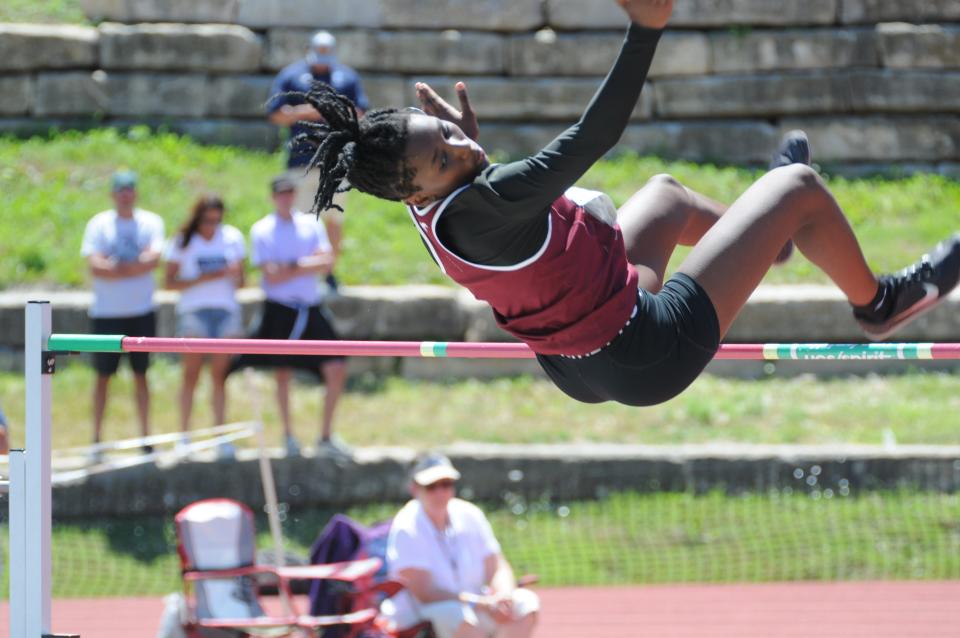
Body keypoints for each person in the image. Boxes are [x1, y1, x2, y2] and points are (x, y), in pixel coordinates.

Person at [293, 0, 960, 407]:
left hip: (582, 359)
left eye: (443, 131)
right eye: (442, 155)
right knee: (799, 186)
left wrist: (468, 151)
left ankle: (772, 240)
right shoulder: (489, 198)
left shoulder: (426, 203)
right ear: (416, 188)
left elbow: (477, 199)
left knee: (666, 197)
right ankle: (880, 303)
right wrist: (646, 31)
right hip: (647, 351)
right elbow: (596, 136)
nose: (455, 142)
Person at [233, 175, 348, 457]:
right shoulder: (262, 229)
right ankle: (288, 435)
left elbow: (327, 261)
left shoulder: (311, 223)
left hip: (309, 306)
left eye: (289, 193)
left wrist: (290, 267)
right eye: (280, 194)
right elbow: (270, 275)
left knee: (336, 367)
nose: (286, 198)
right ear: (273, 197)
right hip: (280, 308)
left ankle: (326, 436)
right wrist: (304, 265)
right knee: (282, 373)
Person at [383, 453, 539, 638]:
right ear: (415, 489)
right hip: (422, 616)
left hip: (476, 605)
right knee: (456, 614)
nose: (440, 492)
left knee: (525, 602)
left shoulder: (469, 514)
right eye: (431, 486)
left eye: (446, 484)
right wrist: (480, 603)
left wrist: (502, 596)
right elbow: (425, 594)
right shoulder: (407, 526)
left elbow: (496, 565)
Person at [268, 29, 370, 291]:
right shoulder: (292, 75)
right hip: (301, 161)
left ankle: (329, 271)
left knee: (333, 220)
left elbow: (360, 112)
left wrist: (331, 112)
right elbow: (276, 113)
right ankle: (299, 270)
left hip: (336, 162)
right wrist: (312, 112)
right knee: (299, 218)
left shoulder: (346, 76)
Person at [80, 170, 165, 461]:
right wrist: (133, 265)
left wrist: (117, 267)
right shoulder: (99, 224)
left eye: (130, 188)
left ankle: (146, 437)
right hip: (107, 312)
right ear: (113, 194)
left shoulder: (151, 221)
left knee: (141, 375)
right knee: (103, 377)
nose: (125, 194)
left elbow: (153, 260)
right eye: (120, 189)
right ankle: (96, 439)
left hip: (141, 311)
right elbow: (95, 265)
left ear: (136, 192)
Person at [164, 194, 246, 459]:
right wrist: (203, 277)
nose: (213, 225)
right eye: (208, 219)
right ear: (198, 217)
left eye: (217, 220)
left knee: (220, 377)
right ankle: (184, 436)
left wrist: (234, 273)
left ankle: (221, 437)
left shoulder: (232, 237)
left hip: (225, 310)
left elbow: (242, 283)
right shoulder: (183, 241)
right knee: (191, 375)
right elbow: (169, 282)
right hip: (194, 311)